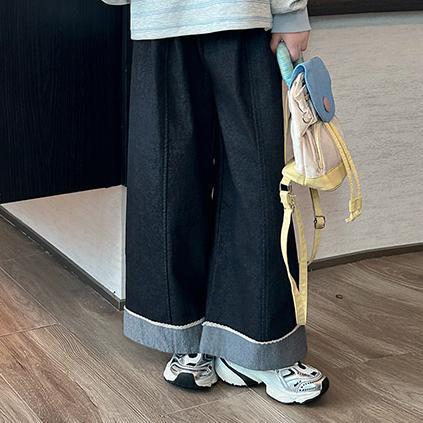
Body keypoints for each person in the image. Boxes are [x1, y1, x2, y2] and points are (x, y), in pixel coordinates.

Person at [102, 0, 329, 404]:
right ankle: (186, 333)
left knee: (258, 180)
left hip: (245, 17)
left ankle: (258, 341)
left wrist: (291, 11)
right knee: (166, 180)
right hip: (161, 20)